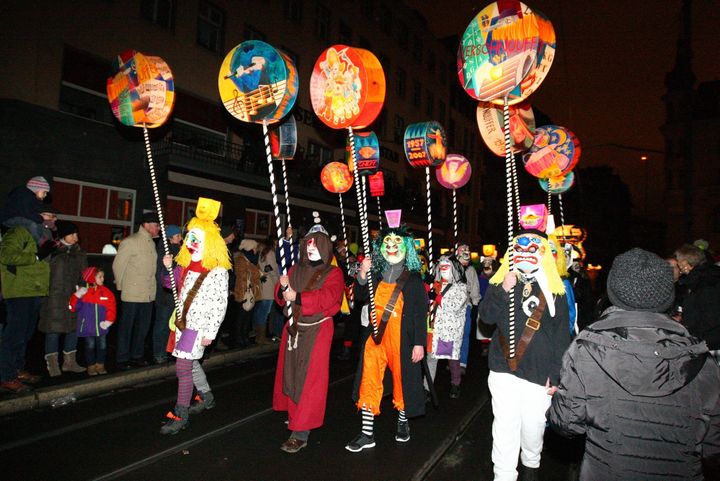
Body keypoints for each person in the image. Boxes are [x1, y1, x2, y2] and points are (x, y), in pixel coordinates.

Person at [548, 248, 720, 481]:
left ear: (613, 291)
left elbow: (567, 423)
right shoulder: (700, 359)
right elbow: (713, 445)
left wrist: (559, 398)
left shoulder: (588, 348)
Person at [477, 229, 571, 481]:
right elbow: (485, 318)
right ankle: (503, 475)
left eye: (532, 249)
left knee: (533, 429)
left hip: (538, 374)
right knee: (505, 427)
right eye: (519, 249)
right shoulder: (501, 283)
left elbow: (562, 336)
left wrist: (558, 375)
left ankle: (531, 466)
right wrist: (502, 289)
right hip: (502, 369)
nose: (525, 253)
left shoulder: (556, 291)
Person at [346, 216, 428, 453]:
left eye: (397, 242)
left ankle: (402, 422)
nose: (392, 246)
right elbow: (359, 295)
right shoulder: (376, 275)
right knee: (369, 379)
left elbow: (418, 314)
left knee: (402, 381)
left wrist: (419, 344)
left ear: (406, 248)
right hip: (375, 336)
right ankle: (366, 433)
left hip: (403, 339)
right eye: (387, 243)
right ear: (380, 248)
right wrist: (362, 273)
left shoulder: (413, 280)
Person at [159, 198, 231, 435]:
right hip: (182, 323)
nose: (190, 242)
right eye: (189, 237)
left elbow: (219, 304)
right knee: (188, 363)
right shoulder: (186, 264)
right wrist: (169, 267)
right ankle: (207, 396)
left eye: (195, 238)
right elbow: (167, 284)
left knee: (182, 366)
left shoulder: (218, 270)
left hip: (197, 327)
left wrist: (210, 333)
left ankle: (181, 413)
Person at [272, 223, 344, 453]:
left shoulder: (334, 272)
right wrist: (282, 287)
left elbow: (329, 297)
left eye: (316, 244)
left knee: (310, 379)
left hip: (318, 330)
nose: (311, 248)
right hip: (294, 329)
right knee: (292, 374)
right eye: (308, 243)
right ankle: (295, 416)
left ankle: (301, 431)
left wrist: (299, 296)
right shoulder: (295, 269)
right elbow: (281, 299)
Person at [0, 217, 51, 392]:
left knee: (25, 336)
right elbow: (6, 255)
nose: (53, 219)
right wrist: (37, 255)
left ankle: (17, 370)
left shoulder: (40, 234)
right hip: (19, 291)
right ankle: (6, 377)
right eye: (49, 215)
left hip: (33, 290)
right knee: (14, 336)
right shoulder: (18, 231)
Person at [39, 220, 87, 376]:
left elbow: (84, 275)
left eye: (77, 234)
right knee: (53, 329)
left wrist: (82, 288)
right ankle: (52, 364)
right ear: (63, 234)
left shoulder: (79, 252)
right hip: (54, 296)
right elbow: (42, 271)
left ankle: (69, 362)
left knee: (73, 328)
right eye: (72, 234)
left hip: (74, 296)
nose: (76, 238)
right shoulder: (52, 250)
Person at [112, 211, 159, 370]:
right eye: (156, 225)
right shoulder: (130, 242)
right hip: (132, 293)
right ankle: (122, 357)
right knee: (127, 327)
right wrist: (121, 287)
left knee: (143, 327)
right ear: (146, 225)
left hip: (148, 293)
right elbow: (118, 266)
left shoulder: (152, 243)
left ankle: (136, 355)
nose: (158, 228)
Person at [426, 255, 468, 398]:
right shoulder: (435, 283)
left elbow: (453, 306)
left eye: (447, 266)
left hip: (448, 331)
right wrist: (426, 287)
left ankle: (455, 384)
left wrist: (436, 297)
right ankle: (427, 388)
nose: (443, 269)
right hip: (433, 328)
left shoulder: (461, 288)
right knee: (431, 358)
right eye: (441, 266)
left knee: (452, 359)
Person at [674, 244, 720, 353]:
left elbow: (704, 314)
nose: (677, 264)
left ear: (685, 263)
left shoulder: (701, 282)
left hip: (709, 343)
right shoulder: (711, 274)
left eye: (678, 261)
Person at [70, 267, 116, 376]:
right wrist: (76, 295)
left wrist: (109, 321)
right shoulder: (84, 292)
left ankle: (100, 364)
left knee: (102, 346)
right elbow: (72, 307)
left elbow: (112, 308)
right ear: (91, 278)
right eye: (100, 276)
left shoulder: (106, 292)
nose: (103, 279)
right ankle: (90, 366)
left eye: (103, 276)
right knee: (89, 346)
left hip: (102, 326)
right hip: (88, 326)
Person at [153, 224, 182, 364]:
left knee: (172, 325)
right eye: (177, 236)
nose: (180, 238)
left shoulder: (179, 251)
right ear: (170, 238)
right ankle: (159, 352)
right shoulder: (166, 252)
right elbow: (164, 274)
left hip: (175, 295)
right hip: (165, 296)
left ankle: (168, 350)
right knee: (162, 325)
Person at [0, 176, 51, 244]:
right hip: (8, 218)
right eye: (44, 192)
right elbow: (27, 213)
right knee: (31, 224)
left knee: (36, 222)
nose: (45, 195)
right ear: (36, 189)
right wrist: (41, 217)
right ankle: (41, 242)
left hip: (18, 216)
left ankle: (42, 239)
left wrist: (40, 216)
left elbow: (29, 212)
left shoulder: (30, 197)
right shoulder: (24, 195)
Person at [454, 243, 480, 372]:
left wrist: (475, 305)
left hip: (466, 305)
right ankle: (453, 359)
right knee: (453, 334)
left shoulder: (471, 270)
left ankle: (462, 362)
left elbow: (475, 288)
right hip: (452, 306)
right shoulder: (451, 267)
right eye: (462, 249)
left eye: (467, 249)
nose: (465, 251)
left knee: (464, 333)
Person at [232, 238, 261, 348]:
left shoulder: (252, 260)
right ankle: (238, 339)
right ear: (250, 248)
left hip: (251, 292)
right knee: (241, 317)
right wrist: (257, 273)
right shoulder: (241, 259)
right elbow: (242, 275)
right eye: (254, 248)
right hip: (243, 292)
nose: (256, 250)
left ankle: (245, 337)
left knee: (248, 317)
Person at [254, 240, 278, 345]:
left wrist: (265, 271)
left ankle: (258, 335)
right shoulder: (270, 253)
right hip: (270, 286)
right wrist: (278, 281)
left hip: (264, 284)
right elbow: (272, 269)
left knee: (260, 311)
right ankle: (261, 338)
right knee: (264, 312)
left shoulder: (262, 253)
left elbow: (265, 267)